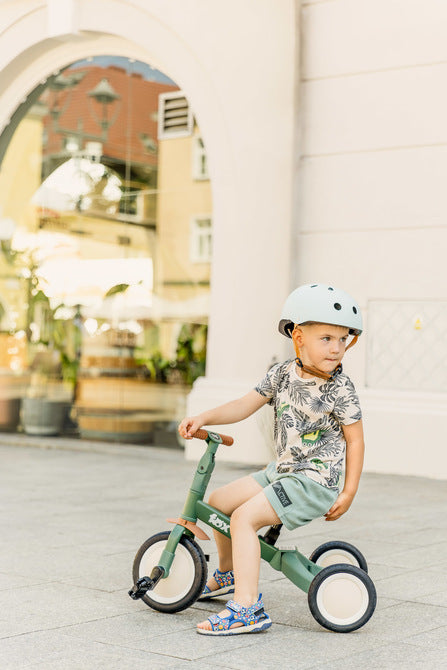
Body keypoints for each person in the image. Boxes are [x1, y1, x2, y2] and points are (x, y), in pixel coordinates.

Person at [178, 283, 365, 636]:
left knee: (244, 519)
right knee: (218, 502)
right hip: (282, 472)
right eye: (327, 338)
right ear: (298, 337)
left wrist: (349, 491)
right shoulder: (281, 374)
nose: (337, 348)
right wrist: (203, 417)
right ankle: (229, 574)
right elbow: (243, 405)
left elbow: (355, 440)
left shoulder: (341, 389)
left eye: (343, 339)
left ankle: (247, 608)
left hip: (312, 482)